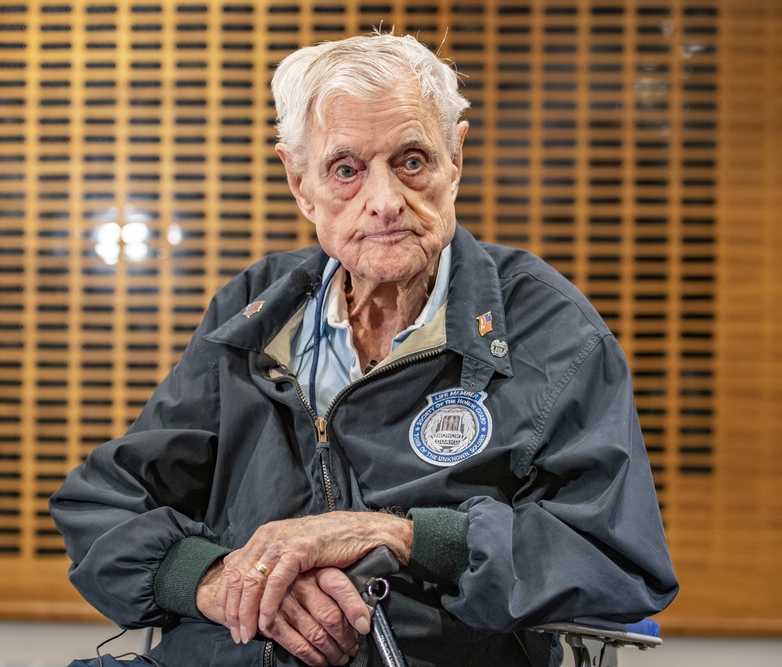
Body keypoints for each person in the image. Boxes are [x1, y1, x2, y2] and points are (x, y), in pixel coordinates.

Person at [50, 32, 678, 667]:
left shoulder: (550, 329)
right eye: (346, 170)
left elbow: (615, 557)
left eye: (411, 160)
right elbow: (103, 503)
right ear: (301, 184)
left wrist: (400, 536)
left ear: (454, 158)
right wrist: (214, 580)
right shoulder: (256, 311)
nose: (383, 203)